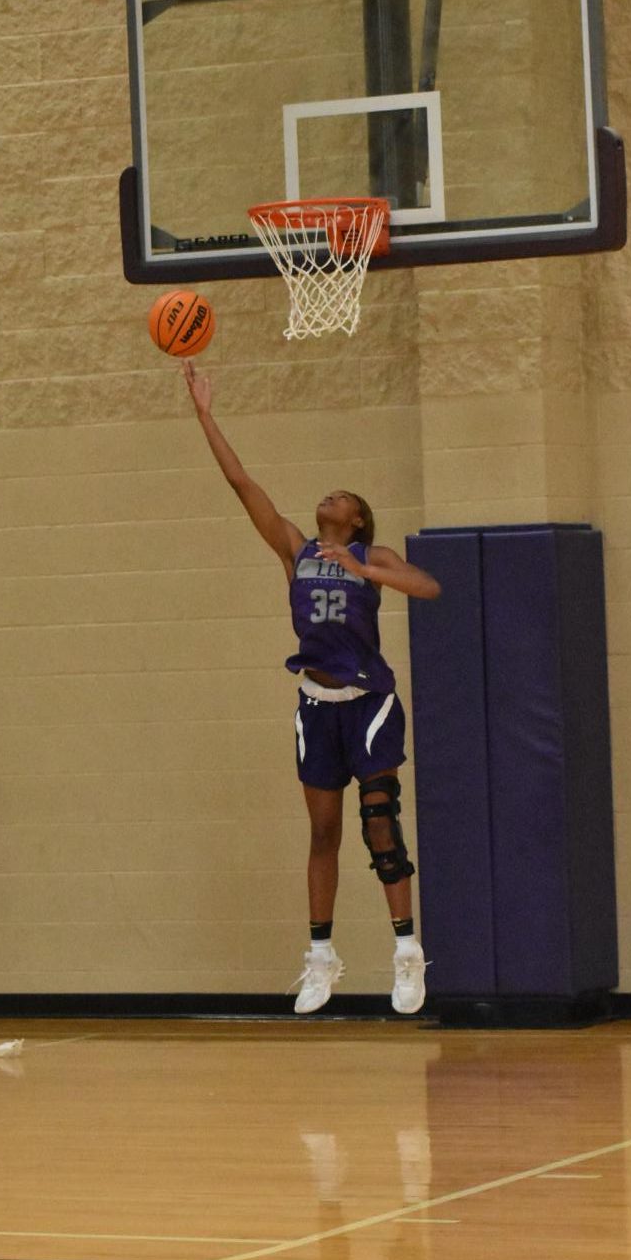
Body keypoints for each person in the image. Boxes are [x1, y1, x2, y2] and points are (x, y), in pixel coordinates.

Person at [183, 358, 441, 1015]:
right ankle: (321, 957)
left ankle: (407, 953)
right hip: (317, 706)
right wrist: (206, 413)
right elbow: (244, 484)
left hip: (371, 703)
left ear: (358, 521)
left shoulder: (370, 557)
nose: (331, 496)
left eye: (344, 497)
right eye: (329, 493)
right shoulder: (294, 548)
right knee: (322, 833)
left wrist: (363, 566)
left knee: (378, 823)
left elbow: (430, 586)